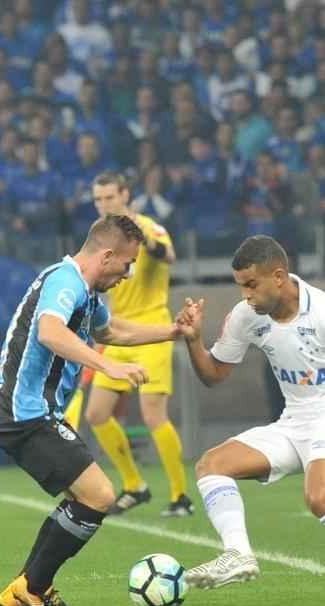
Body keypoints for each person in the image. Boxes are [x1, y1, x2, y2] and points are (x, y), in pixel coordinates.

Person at [175, 235, 325, 606]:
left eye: (251, 285)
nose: (246, 296)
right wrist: (193, 341)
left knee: (319, 497)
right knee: (212, 465)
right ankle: (238, 554)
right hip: (293, 422)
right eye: (241, 287)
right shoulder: (246, 316)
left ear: (279, 276)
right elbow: (214, 375)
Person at [0, 214, 191, 606]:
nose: (129, 274)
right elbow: (50, 332)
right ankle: (31, 587)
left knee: (85, 497)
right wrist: (109, 367)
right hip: (24, 411)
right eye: (127, 264)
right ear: (108, 255)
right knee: (99, 495)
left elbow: (112, 333)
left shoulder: (89, 295)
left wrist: (173, 331)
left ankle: (30, 587)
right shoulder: (66, 281)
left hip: (31, 411)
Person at [83, 172, 194, 518]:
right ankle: (134, 485)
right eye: (98, 199)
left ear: (125, 195)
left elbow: (168, 255)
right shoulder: (100, 237)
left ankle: (180, 496)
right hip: (118, 331)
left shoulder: (148, 227)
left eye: (109, 198)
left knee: (152, 414)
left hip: (152, 330)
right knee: (96, 414)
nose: (104, 205)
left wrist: (143, 237)